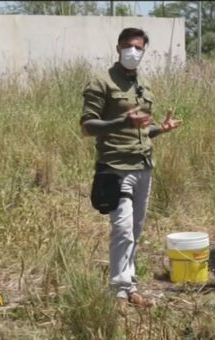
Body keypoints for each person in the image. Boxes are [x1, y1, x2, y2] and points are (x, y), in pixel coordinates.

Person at [80, 27, 181, 308]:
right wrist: (122, 122)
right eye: (127, 46)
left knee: (135, 231)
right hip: (115, 166)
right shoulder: (101, 82)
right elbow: (88, 126)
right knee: (122, 229)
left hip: (143, 166)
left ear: (144, 50)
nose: (132, 51)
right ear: (118, 48)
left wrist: (161, 129)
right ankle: (119, 290)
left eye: (138, 47)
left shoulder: (144, 84)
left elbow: (142, 131)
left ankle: (129, 286)